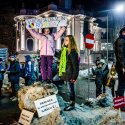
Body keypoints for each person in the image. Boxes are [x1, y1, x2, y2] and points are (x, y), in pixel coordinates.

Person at [58, 35, 79, 111]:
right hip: (65, 73)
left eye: (67, 40)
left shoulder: (72, 51)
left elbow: (76, 66)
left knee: (71, 90)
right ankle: (69, 102)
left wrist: (74, 77)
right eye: (64, 40)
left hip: (70, 74)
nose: (65, 41)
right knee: (55, 81)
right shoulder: (64, 50)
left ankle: (72, 104)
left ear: (71, 42)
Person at [114, 27, 125, 97]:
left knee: (122, 84)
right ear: (123, 32)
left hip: (121, 66)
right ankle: (120, 105)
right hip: (122, 67)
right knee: (122, 85)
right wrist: (123, 67)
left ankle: (120, 103)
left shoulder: (122, 40)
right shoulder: (121, 40)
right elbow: (120, 55)